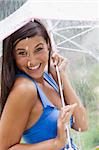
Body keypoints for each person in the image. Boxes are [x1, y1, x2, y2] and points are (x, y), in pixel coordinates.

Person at [0, 19, 88, 150]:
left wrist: (61, 76)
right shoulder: (25, 89)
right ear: (12, 56)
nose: (32, 61)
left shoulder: (48, 77)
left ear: (48, 45)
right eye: (22, 53)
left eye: (39, 49)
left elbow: (82, 124)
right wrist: (56, 143)